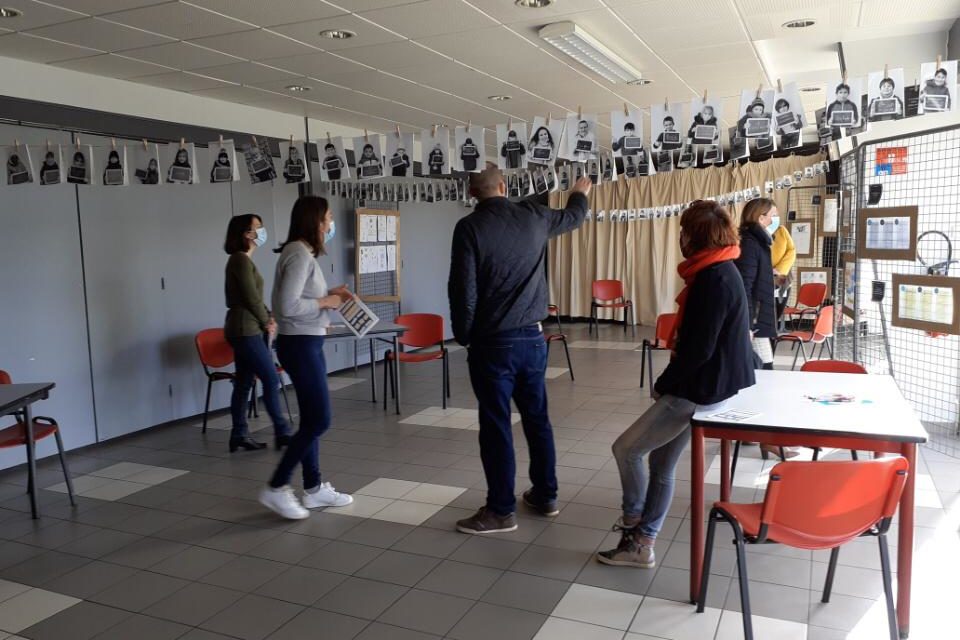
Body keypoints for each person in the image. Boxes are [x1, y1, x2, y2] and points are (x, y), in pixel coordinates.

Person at [597, 200, 755, 568]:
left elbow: (698, 348)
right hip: (710, 387)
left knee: (627, 450)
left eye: (684, 231)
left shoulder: (714, 278)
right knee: (661, 464)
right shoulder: (720, 268)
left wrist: (663, 383)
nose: (680, 237)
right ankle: (642, 544)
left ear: (694, 236)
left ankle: (633, 521)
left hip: (698, 389)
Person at [448, 165, 592, 534]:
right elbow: (575, 216)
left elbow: (463, 289)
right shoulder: (534, 215)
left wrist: (465, 335)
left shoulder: (469, 227)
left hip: (492, 342)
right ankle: (545, 495)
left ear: (473, 193)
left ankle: (500, 510)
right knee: (537, 418)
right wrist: (579, 192)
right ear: (504, 187)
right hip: (533, 338)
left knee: (496, 424)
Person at [260, 196, 353, 520]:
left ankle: (313, 489)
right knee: (319, 420)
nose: (330, 224)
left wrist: (330, 295)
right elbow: (287, 307)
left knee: (311, 419)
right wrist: (326, 301)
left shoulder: (301, 253)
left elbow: (300, 298)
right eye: (327, 218)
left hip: (306, 342)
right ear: (314, 220)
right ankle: (277, 486)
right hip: (299, 343)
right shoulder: (299, 254)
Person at [223, 214, 291, 453]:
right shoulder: (240, 260)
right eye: (257, 228)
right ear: (246, 233)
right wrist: (266, 321)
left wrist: (268, 315)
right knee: (271, 378)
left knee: (243, 382)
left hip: (245, 327)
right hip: (245, 329)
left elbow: (254, 298)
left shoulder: (244, 260)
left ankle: (239, 434)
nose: (261, 231)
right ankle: (282, 431)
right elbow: (251, 297)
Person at [735, 198, 778, 371]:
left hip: (757, 315)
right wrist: (748, 323)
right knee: (763, 368)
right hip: (754, 317)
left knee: (762, 366)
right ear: (760, 218)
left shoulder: (758, 242)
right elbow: (744, 285)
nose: (775, 220)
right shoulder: (750, 243)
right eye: (773, 215)